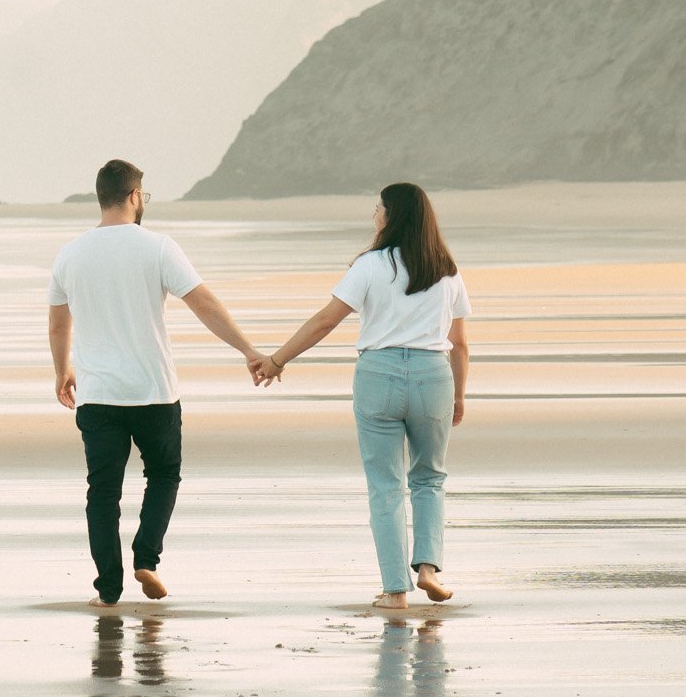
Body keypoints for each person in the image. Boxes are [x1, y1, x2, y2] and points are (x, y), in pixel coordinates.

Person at [47, 159, 268, 606]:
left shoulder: (70, 253)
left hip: (99, 395)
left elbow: (57, 324)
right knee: (164, 475)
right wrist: (249, 350)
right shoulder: (160, 247)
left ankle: (109, 588)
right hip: (155, 392)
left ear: (101, 197)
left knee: (103, 493)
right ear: (133, 196)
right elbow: (203, 303)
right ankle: (146, 559)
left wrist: (61, 371)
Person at [254, 182, 471, 612]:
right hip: (434, 377)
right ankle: (427, 569)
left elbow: (325, 321)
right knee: (430, 477)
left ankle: (394, 591)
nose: (375, 214)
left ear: (391, 216)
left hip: (379, 375)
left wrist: (277, 359)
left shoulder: (371, 265)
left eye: (379, 208)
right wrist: (458, 395)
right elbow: (460, 343)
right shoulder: (446, 269)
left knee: (385, 485)